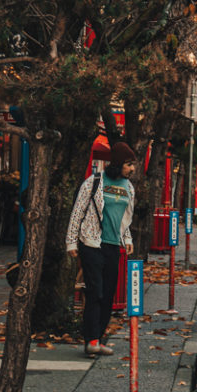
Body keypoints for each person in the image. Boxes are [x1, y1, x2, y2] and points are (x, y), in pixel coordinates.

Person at [66, 141, 137, 356]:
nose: (131, 168)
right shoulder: (94, 182)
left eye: (132, 164)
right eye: (128, 164)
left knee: (108, 294)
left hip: (113, 246)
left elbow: (124, 218)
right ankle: (91, 340)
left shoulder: (129, 188)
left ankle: (99, 336)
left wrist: (128, 238)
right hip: (92, 243)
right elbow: (78, 212)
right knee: (95, 292)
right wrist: (71, 241)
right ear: (117, 164)